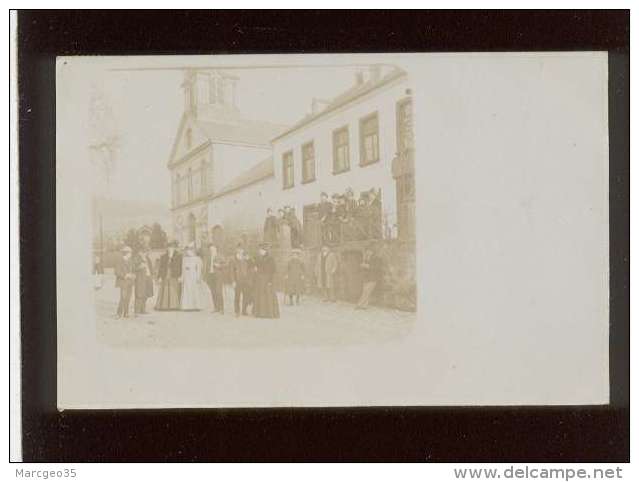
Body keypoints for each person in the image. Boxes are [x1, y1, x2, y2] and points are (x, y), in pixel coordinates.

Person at [253, 243, 280, 318]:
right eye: (260, 250)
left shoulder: (271, 259)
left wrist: (271, 281)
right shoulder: (259, 258)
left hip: (268, 279)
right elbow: (256, 266)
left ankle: (270, 313)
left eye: (261, 250)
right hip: (260, 280)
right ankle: (261, 313)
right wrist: (256, 269)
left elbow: (273, 271)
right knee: (260, 295)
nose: (260, 252)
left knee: (268, 295)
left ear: (265, 250)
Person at [356, 244, 384, 310]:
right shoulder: (366, 258)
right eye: (366, 251)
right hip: (366, 278)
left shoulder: (376, 258)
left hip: (373, 278)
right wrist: (363, 266)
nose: (367, 252)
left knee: (366, 292)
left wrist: (367, 266)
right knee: (366, 292)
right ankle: (364, 306)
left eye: (368, 251)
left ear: (372, 251)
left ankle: (359, 305)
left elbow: (377, 268)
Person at [155, 241, 182, 311]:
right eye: (169, 247)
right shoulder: (163, 256)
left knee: (173, 289)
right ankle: (164, 305)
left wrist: (180, 276)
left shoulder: (178, 256)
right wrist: (159, 277)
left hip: (174, 274)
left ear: (174, 248)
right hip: (165, 274)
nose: (170, 249)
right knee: (165, 289)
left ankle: (174, 305)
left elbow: (180, 266)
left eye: (172, 247)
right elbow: (161, 267)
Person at [229, 243, 253, 317]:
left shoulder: (246, 258)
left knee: (246, 295)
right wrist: (233, 281)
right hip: (237, 280)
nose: (240, 251)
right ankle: (237, 311)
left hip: (245, 280)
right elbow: (231, 271)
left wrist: (249, 259)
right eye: (238, 249)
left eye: (241, 249)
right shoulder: (233, 259)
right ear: (236, 250)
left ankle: (244, 310)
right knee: (237, 296)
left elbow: (251, 267)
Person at [180, 243, 204, 311]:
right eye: (188, 250)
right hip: (187, 275)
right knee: (187, 289)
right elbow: (183, 268)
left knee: (194, 289)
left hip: (194, 274)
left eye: (191, 249)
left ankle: (196, 306)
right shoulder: (184, 259)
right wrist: (182, 277)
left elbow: (199, 269)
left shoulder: (197, 259)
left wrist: (198, 277)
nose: (189, 251)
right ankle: (187, 306)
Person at [132, 242, 154, 315]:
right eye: (146, 251)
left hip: (148, 278)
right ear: (141, 251)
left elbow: (151, 268)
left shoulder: (147, 258)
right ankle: (137, 311)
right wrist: (139, 267)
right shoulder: (137, 257)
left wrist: (152, 275)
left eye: (147, 251)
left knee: (146, 294)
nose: (147, 253)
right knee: (139, 294)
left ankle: (142, 310)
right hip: (140, 278)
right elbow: (133, 268)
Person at [203, 243, 225, 314]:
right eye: (210, 249)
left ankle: (221, 308)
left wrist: (219, 265)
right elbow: (205, 267)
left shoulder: (220, 256)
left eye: (213, 249)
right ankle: (216, 307)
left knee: (219, 291)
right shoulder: (208, 257)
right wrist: (205, 277)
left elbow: (225, 264)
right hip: (210, 276)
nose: (212, 250)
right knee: (213, 292)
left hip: (218, 276)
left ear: (216, 249)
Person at [114, 245, 135, 318]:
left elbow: (133, 270)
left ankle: (126, 313)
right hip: (123, 282)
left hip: (130, 282)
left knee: (128, 298)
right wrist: (125, 275)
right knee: (123, 298)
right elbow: (117, 272)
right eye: (130, 253)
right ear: (126, 253)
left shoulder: (130, 261)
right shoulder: (119, 261)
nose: (131, 254)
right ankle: (119, 313)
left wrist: (133, 275)